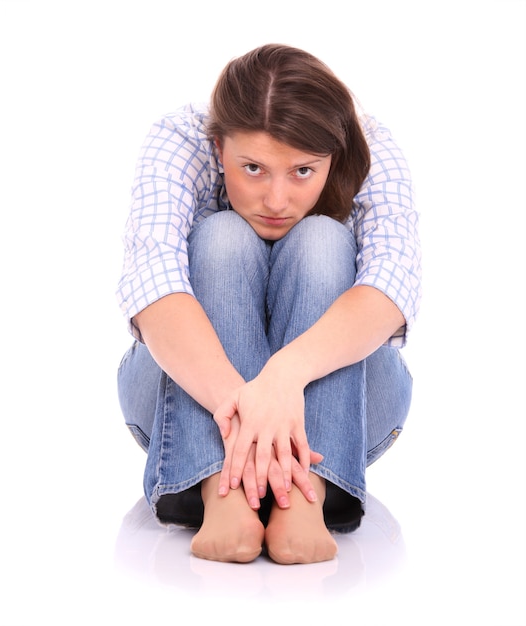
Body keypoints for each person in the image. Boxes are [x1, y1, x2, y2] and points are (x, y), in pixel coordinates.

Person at [116, 43, 422, 565]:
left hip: (348, 420)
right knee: (222, 236)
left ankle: (307, 495)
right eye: (253, 168)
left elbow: (392, 290)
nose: (277, 200)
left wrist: (283, 378)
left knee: (323, 238)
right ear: (219, 147)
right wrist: (249, 410)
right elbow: (153, 287)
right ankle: (220, 488)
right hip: (182, 411)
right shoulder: (180, 140)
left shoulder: (370, 146)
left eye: (303, 171)